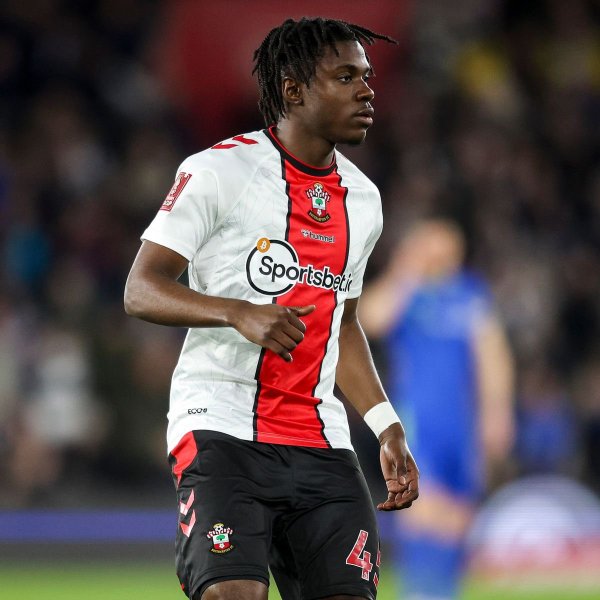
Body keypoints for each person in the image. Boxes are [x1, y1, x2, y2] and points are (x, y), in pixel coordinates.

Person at [124, 17, 419, 600]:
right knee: (234, 593)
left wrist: (386, 426)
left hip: (320, 439)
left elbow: (343, 324)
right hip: (222, 426)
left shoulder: (363, 200)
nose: (367, 91)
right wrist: (237, 311)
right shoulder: (219, 171)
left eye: (366, 77)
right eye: (346, 77)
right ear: (293, 90)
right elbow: (141, 288)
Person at [359, 219, 514, 600]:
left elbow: (493, 355)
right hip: (417, 420)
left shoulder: (470, 293)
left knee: (460, 513)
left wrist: (497, 412)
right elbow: (370, 320)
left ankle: (444, 591)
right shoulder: (407, 293)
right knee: (422, 505)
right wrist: (406, 271)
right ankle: (421, 591)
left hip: (462, 421)